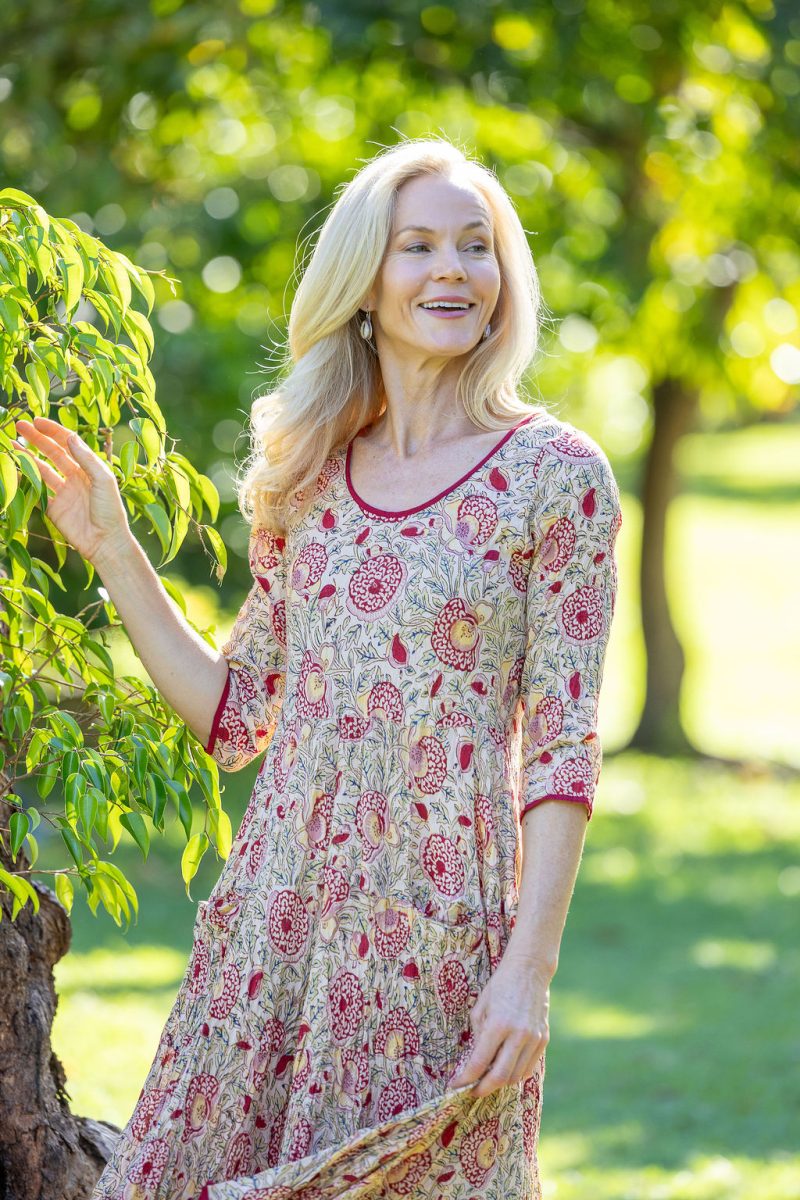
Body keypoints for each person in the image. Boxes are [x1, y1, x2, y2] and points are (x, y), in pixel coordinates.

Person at [14, 136, 622, 1200]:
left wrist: (529, 972)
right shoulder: (312, 474)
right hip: (272, 923)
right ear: (363, 282)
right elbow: (237, 716)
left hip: (436, 931)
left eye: (475, 245)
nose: (451, 270)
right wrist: (112, 547)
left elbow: (563, 748)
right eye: (416, 246)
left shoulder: (555, 476)